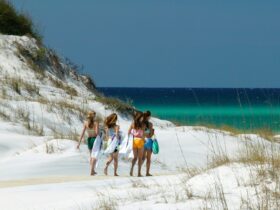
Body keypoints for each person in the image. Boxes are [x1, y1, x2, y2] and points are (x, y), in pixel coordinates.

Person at [77, 111, 99, 176]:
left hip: (89, 140)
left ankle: (93, 170)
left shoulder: (86, 123)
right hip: (95, 139)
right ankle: (92, 171)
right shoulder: (96, 123)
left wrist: (79, 143)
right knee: (94, 156)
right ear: (93, 116)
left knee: (91, 156)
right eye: (94, 115)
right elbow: (97, 133)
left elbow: (82, 133)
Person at [128, 111, 146, 177]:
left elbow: (129, 132)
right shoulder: (143, 124)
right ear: (140, 117)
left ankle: (131, 170)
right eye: (142, 117)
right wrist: (144, 140)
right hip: (140, 140)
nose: (142, 118)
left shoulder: (133, 124)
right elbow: (143, 134)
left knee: (135, 157)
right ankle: (139, 173)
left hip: (134, 140)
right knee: (140, 158)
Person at [142, 111, 154, 176]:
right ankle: (147, 173)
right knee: (148, 158)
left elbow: (143, 133)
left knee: (142, 157)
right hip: (148, 141)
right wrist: (152, 131)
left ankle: (139, 171)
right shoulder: (150, 124)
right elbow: (150, 134)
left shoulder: (141, 123)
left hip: (142, 140)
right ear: (148, 116)